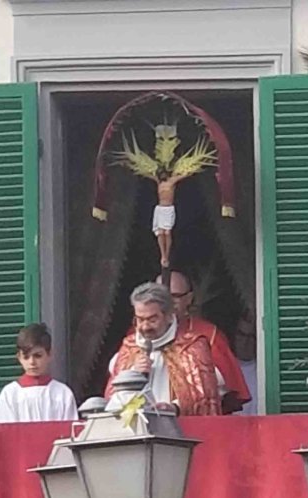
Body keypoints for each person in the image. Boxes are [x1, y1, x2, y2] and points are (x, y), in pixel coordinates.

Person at [106, 282, 221, 416]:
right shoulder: (129, 347)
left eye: (152, 320)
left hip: (178, 425)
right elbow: (111, 400)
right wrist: (133, 373)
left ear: (169, 316)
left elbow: (205, 398)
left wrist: (175, 408)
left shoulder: (192, 347)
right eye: (140, 320)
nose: (145, 327)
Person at [162, 271, 251, 414]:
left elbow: (222, 385)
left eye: (175, 296)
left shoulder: (207, 334)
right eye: (160, 296)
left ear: (189, 298)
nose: (168, 303)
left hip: (195, 419)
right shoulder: (138, 337)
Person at [0, 323, 77, 423]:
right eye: (26, 357)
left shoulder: (62, 393)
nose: (32, 362)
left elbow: (71, 429)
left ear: (49, 354)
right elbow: (3, 429)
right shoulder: (10, 394)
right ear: (19, 357)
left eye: (38, 356)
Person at [152, 169, 184, 270]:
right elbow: (149, 175)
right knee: (160, 233)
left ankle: (167, 254)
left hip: (168, 209)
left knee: (167, 232)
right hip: (160, 209)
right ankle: (163, 256)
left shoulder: (171, 181)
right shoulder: (159, 182)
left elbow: (183, 176)